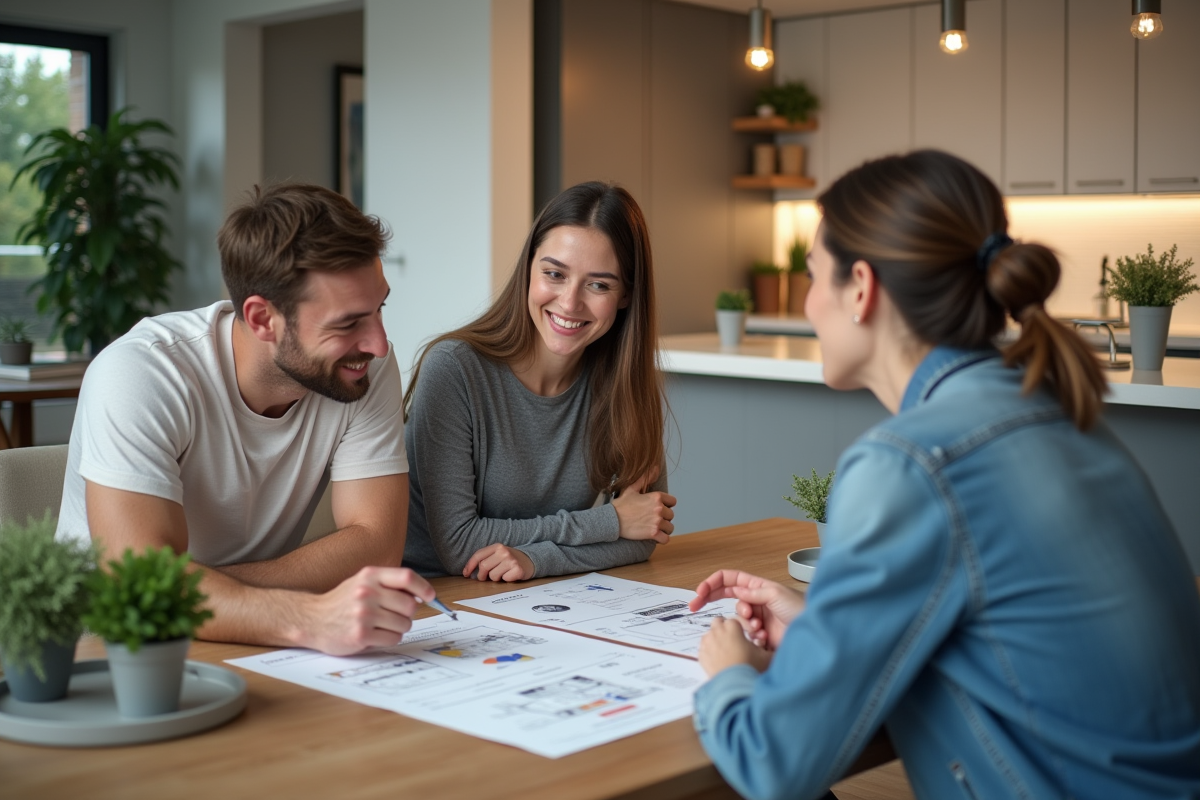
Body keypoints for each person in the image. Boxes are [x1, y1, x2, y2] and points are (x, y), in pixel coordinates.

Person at [687, 151, 1200, 800]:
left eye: (813, 275)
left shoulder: (910, 462)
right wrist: (822, 624)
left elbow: (774, 763)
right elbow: (1006, 624)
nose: (810, 303)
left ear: (861, 288)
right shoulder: (1057, 413)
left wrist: (730, 673)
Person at [57, 183, 436, 655]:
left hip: (257, 635)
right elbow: (140, 589)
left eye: (380, 308)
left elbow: (376, 546)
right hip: (112, 646)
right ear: (262, 319)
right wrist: (305, 616)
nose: (378, 343)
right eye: (348, 323)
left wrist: (202, 591)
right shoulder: (141, 373)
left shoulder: (361, 370)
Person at [402, 181, 675, 582]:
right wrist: (610, 521)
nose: (569, 302)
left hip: (538, 593)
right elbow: (459, 544)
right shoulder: (454, 370)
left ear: (626, 295)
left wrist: (536, 561)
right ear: (528, 268)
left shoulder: (624, 382)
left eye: (599, 284)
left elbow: (647, 531)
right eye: (554, 274)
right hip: (434, 596)